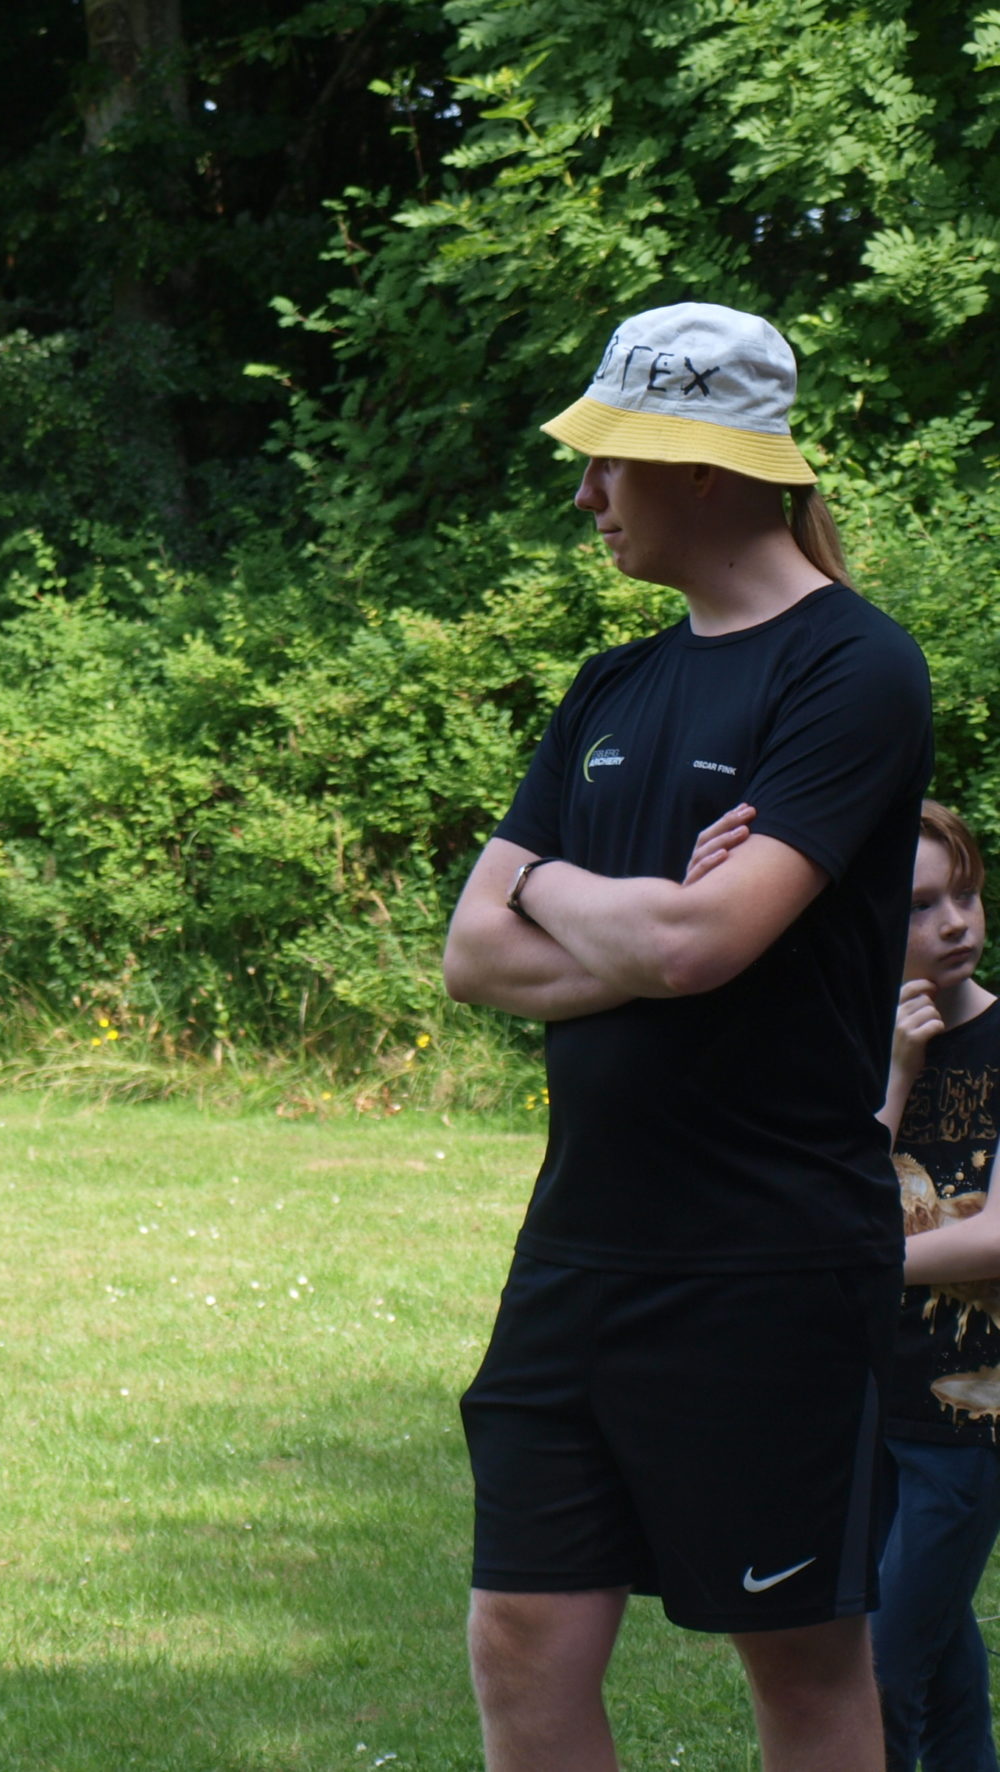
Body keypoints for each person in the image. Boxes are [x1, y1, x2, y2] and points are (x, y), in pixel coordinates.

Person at [441, 301, 934, 1771]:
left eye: (611, 461)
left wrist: (554, 886)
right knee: (520, 1638)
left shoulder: (852, 667)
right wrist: (635, 914)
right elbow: (474, 954)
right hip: (580, 1248)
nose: (585, 492)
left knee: (800, 1663)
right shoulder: (615, 683)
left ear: (703, 468)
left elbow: (696, 944)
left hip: (769, 1258)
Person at [871, 801, 1000, 1772]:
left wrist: (848, 1257)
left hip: (971, 1421)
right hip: (865, 1401)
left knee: (874, 1670)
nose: (953, 921)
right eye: (919, 905)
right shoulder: (860, 1043)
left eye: (964, 894)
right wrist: (895, 1074)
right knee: (942, 1671)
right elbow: (829, 1193)